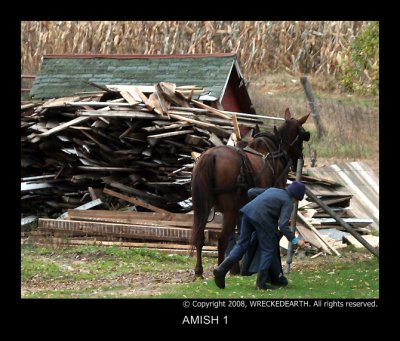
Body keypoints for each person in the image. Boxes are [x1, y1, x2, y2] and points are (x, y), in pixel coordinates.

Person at [213, 181, 306, 290]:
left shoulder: (273, 190)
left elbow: (251, 192)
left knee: (241, 245)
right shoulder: (288, 202)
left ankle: (221, 270)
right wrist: (296, 241)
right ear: (295, 197)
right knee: (268, 250)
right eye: (297, 200)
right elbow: (283, 225)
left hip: (248, 213)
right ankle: (261, 284)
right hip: (262, 220)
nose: (295, 202)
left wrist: (260, 204)